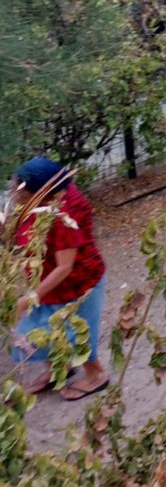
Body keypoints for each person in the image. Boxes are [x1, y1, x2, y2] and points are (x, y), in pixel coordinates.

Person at [6, 157, 108, 399]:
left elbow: (64, 267)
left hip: (78, 284)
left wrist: (29, 298)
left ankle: (96, 376)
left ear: (40, 195)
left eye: (18, 188)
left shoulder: (62, 217)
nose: (13, 190)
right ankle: (58, 369)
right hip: (46, 282)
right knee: (41, 330)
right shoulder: (49, 193)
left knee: (79, 335)